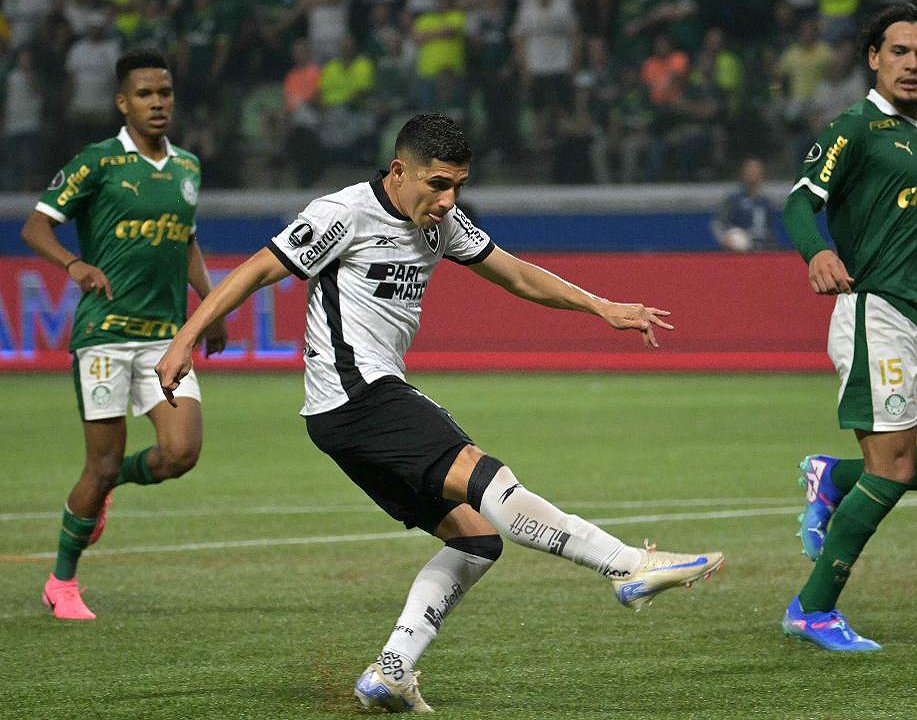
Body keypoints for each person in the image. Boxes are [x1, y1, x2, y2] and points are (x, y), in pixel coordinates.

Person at [155, 113, 724, 711]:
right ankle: (626, 565)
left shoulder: (440, 222)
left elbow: (519, 276)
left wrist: (601, 306)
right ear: (400, 171)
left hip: (341, 416)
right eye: (438, 184)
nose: (449, 200)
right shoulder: (343, 215)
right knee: (485, 477)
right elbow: (257, 269)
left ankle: (392, 671)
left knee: (475, 540)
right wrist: (185, 339)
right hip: (358, 394)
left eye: (458, 186)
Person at [779, 3, 917, 652]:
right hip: (874, 314)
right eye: (899, 51)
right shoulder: (854, 127)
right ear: (873, 58)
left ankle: (832, 479)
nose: (912, 63)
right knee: (896, 468)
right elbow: (799, 202)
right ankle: (813, 609)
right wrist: (817, 251)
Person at [21, 48, 227, 621]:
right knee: (101, 464)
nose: (157, 103)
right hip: (106, 334)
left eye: (164, 93)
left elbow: (185, 240)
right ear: (122, 102)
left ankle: (110, 490)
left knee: (181, 452)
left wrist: (210, 307)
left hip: (165, 336)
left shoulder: (187, 165)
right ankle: (62, 581)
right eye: (144, 94)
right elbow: (36, 226)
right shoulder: (97, 162)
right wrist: (73, 265)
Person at [710, 157, 780, 251]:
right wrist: (726, 238)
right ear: (743, 174)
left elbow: (769, 229)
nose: (753, 174)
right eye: (750, 170)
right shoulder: (734, 200)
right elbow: (718, 224)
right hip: (742, 251)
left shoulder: (766, 203)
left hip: (763, 250)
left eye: (756, 171)